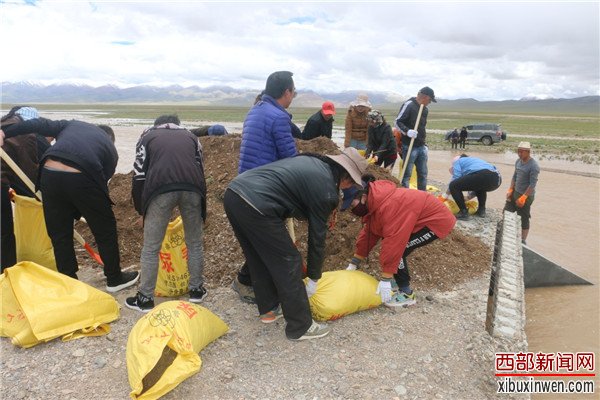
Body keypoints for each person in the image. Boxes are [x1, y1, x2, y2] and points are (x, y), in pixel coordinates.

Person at [224, 147, 368, 340]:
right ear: (348, 179)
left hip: (235, 194)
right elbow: (317, 238)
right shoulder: (326, 190)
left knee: (258, 254)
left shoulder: (315, 163)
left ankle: (269, 309)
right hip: (258, 204)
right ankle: (300, 326)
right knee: (289, 260)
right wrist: (314, 278)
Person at [1, 118, 139, 291]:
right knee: (105, 230)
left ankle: (69, 281)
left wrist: (4, 132)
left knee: (60, 234)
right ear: (110, 139)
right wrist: (81, 209)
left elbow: (37, 124)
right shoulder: (110, 149)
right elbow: (101, 184)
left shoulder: (71, 125)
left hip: (48, 173)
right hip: (83, 174)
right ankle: (114, 279)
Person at [125, 115, 208, 312]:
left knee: (151, 247)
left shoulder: (147, 136)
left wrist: (141, 209)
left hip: (160, 190)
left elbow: (139, 175)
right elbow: (201, 170)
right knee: (194, 242)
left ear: (157, 125)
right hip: (193, 189)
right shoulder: (191, 137)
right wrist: (203, 206)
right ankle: (196, 291)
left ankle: (145, 299)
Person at [232, 71, 298, 303]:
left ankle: (251, 281)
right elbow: (289, 157)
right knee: (268, 241)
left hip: (245, 185)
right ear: (287, 92)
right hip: (264, 188)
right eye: (294, 92)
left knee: (258, 240)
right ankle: (247, 282)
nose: (293, 96)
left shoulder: (255, 111)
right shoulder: (278, 117)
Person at [344, 176, 455, 307]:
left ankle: (407, 294)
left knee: (399, 251)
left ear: (363, 197)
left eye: (352, 204)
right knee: (396, 250)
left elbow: (394, 243)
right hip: (418, 219)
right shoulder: (375, 203)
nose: (352, 210)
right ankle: (396, 280)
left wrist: (385, 278)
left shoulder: (390, 206)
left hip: (435, 222)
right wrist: (354, 263)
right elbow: (370, 232)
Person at [1, 107, 50, 270]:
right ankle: (8, 276)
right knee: (4, 233)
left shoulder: (4, 123)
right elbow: (28, 171)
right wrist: (38, 197)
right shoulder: (27, 134)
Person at [395, 86, 436, 190]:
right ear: (424, 97)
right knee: (407, 173)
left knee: (423, 173)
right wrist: (407, 131)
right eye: (429, 100)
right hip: (409, 146)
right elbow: (397, 122)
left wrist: (424, 143)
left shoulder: (425, 109)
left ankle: (422, 195)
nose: (429, 103)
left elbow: (422, 127)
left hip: (421, 146)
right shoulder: (409, 105)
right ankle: (405, 195)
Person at [441, 154, 502, 220]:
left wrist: (445, 195)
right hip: (497, 180)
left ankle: (463, 212)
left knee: (453, 185)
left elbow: (455, 178)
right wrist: (468, 197)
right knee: (480, 186)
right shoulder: (473, 161)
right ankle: (481, 211)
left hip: (484, 175)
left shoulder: (458, 161)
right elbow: (474, 184)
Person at [504, 142, 540, 245]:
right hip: (515, 192)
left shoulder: (534, 166)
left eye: (521, 152)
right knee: (507, 212)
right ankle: (507, 233)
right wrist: (510, 189)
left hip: (526, 196)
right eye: (518, 151)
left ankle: (523, 241)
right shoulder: (518, 162)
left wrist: (524, 197)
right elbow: (514, 176)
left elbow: (532, 184)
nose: (519, 154)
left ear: (528, 152)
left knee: (524, 217)